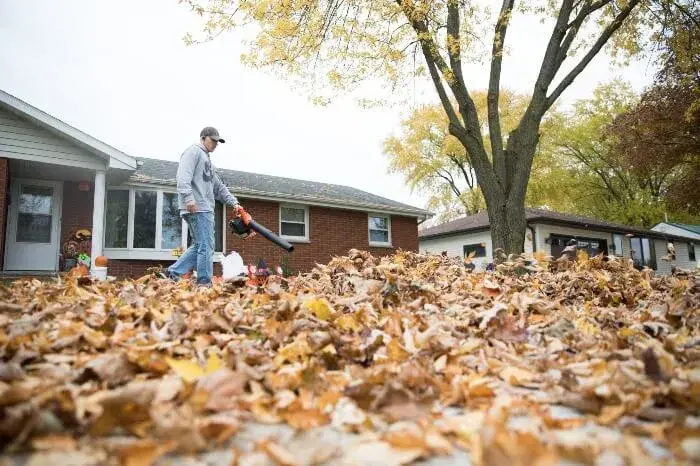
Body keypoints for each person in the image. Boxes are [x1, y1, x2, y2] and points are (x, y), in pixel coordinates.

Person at [163, 127, 243, 286]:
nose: (215, 144)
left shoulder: (208, 163)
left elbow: (219, 188)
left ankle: (172, 273)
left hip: (204, 208)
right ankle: (204, 282)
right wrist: (188, 198)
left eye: (217, 141)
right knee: (206, 246)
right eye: (212, 140)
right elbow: (182, 176)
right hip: (197, 207)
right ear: (203, 138)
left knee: (201, 245)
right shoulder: (193, 152)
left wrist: (234, 203)